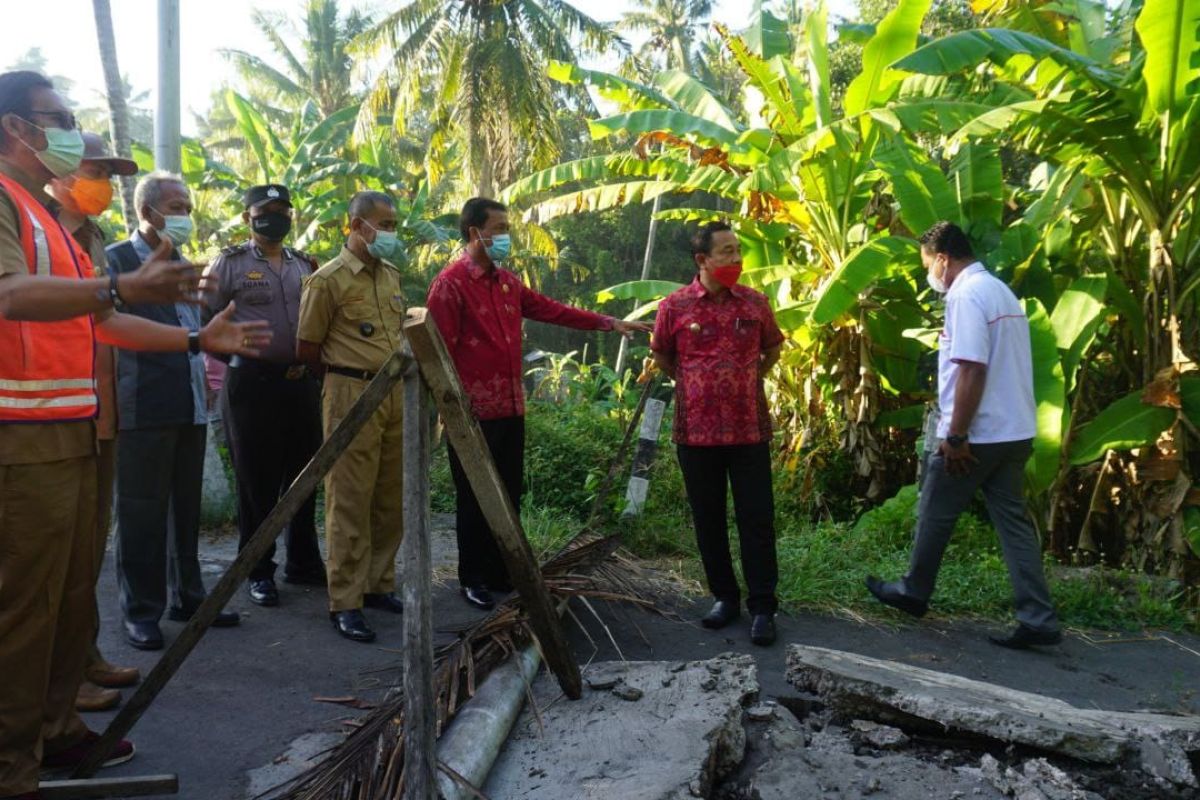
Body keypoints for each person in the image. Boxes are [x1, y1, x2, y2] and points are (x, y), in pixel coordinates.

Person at [0, 71, 270, 800]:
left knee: (65, 600)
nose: (67, 130)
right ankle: (11, 766)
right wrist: (118, 287)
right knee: (25, 607)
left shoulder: (52, 220)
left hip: (74, 429)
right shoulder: (4, 200)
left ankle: (55, 732)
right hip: (21, 436)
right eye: (54, 118)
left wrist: (194, 343)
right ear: (13, 127)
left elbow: (100, 322)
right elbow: (9, 296)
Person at [426, 197, 650, 612]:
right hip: (472, 414)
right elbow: (438, 353)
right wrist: (449, 410)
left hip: (512, 409)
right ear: (476, 233)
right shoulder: (450, 284)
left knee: (507, 492)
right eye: (500, 228)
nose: (506, 236)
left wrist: (609, 322)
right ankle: (472, 577)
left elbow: (553, 310)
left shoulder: (508, 283)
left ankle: (499, 571)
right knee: (474, 496)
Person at [866, 221, 1062, 649]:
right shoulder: (999, 290)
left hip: (980, 432)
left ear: (942, 258)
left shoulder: (966, 295)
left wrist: (956, 436)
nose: (929, 276)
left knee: (935, 508)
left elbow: (971, 367)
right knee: (1013, 524)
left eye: (928, 266)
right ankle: (1038, 616)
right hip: (1015, 430)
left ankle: (914, 591)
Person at [108, 171, 242, 651]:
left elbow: (197, 333)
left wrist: (206, 387)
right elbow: (108, 335)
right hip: (142, 403)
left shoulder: (185, 264)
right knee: (141, 512)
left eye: (188, 206)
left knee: (185, 511)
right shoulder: (118, 262)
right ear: (147, 212)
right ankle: (141, 611)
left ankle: (189, 596)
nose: (185, 215)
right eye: (176, 206)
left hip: (188, 405)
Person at [650, 221, 785, 646]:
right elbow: (662, 357)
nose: (735, 259)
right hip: (697, 433)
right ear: (702, 260)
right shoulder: (674, 307)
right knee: (709, 521)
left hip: (748, 430)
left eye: (737, 250)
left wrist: (746, 379)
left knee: (757, 519)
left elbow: (773, 348)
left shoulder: (756, 303)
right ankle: (725, 598)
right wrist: (697, 384)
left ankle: (763, 607)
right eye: (725, 251)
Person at [44, 132, 142, 713]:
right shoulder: (37, 230)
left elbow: (104, 325)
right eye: (92, 168)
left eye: (108, 171)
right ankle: (59, 683)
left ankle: (84, 656)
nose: (102, 180)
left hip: (99, 407)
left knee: (88, 550)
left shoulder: (93, 235)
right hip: (50, 416)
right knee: (55, 558)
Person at [205, 184, 326, 608]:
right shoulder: (230, 263)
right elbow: (205, 321)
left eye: (282, 210)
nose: (276, 217)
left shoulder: (303, 264)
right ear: (247, 218)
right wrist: (240, 358)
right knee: (257, 483)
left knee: (306, 475)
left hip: (300, 384)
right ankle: (257, 569)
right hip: (251, 386)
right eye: (265, 210)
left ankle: (304, 562)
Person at [296, 190, 406, 643]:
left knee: (389, 497)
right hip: (349, 392)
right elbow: (307, 348)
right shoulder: (328, 280)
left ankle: (378, 584)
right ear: (357, 225)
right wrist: (346, 378)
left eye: (394, 225)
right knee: (349, 500)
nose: (391, 234)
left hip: (396, 391)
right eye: (384, 224)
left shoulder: (391, 276)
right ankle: (345, 599)